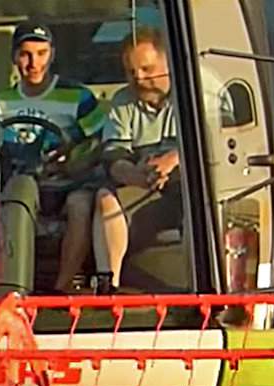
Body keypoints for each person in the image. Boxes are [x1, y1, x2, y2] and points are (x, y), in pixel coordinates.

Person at [0, 22, 106, 293]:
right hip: (20, 182)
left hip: (65, 183)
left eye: (41, 53)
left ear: (52, 55)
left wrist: (72, 161)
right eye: (26, 54)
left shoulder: (78, 97)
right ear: (14, 58)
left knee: (81, 205)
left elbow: (99, 144)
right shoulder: (3, 102)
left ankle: (60, 289)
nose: (34, 63)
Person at [92, 27, 184, 291]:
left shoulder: (199, 90)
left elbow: (217, 142)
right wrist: (133, 175)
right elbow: (113, 155)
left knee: (200, 203)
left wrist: (172, 159)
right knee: (103, 198)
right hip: (143, 185)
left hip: (187, 187)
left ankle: (197, 290)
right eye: (131, 72)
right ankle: (109, 289)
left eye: (147, 69)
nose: (139, 79)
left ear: (169, 62)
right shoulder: (122, 101)